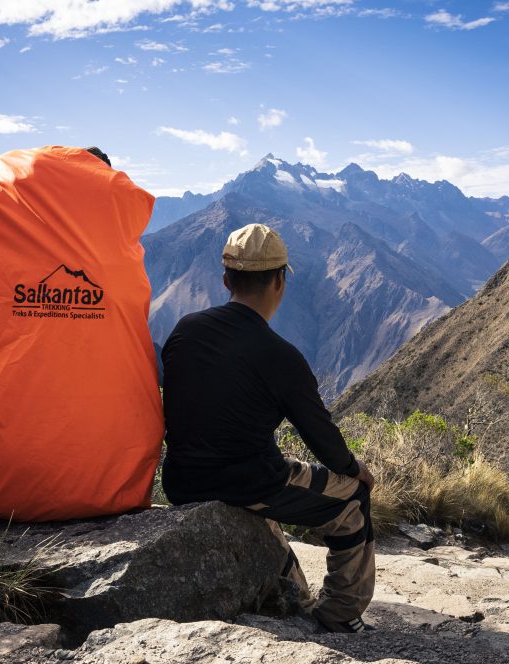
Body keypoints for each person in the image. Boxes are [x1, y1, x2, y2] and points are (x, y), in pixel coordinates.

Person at [160, 223, 377, 634]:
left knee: (273, 497)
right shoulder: (281, 357)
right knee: (352, 502)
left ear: (226, 280)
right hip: (251, 483)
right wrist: (354, 469)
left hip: (181, 481)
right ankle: (341, 614)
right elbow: (322, 439)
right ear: (281, 281)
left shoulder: (184, 330)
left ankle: (287, 585)